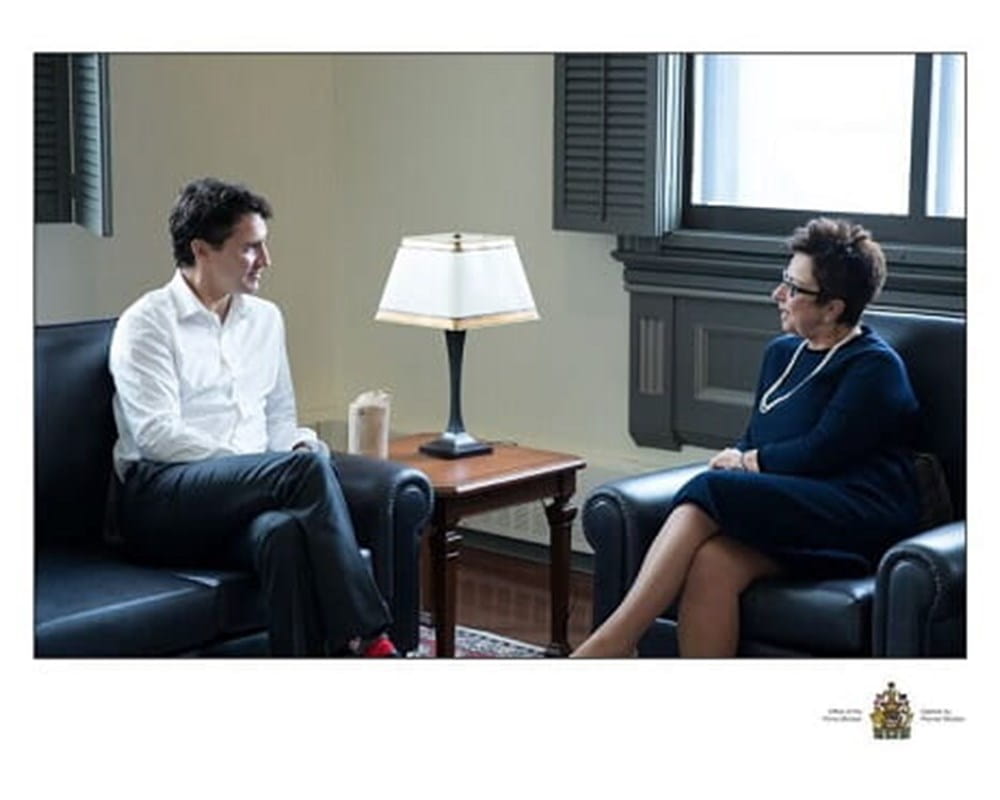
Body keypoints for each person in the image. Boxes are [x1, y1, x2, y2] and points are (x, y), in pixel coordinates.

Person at [572, 217, 921, 658]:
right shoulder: (781, 355)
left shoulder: (875, 367)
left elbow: (820, 452)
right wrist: (740, 452)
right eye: (783, 281)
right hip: (800, 508)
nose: (778, 295)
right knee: (712, 564)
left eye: (794, 288)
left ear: (833, 307)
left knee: (711, 486)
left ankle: (613, 641)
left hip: (859, 515)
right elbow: (759, 436)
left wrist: (744, 462)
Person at [109, 177, 398, 657]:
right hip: (159, 498)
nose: (266, 261)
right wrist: (258, 468)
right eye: (251, 249)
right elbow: (157, 435)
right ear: (202, 249)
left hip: (239, 495)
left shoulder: (266, 319)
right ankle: (370, 638)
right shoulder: (147, 323)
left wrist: (283, 451)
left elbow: (279, 412)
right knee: (303, 469)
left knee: (281, 534)